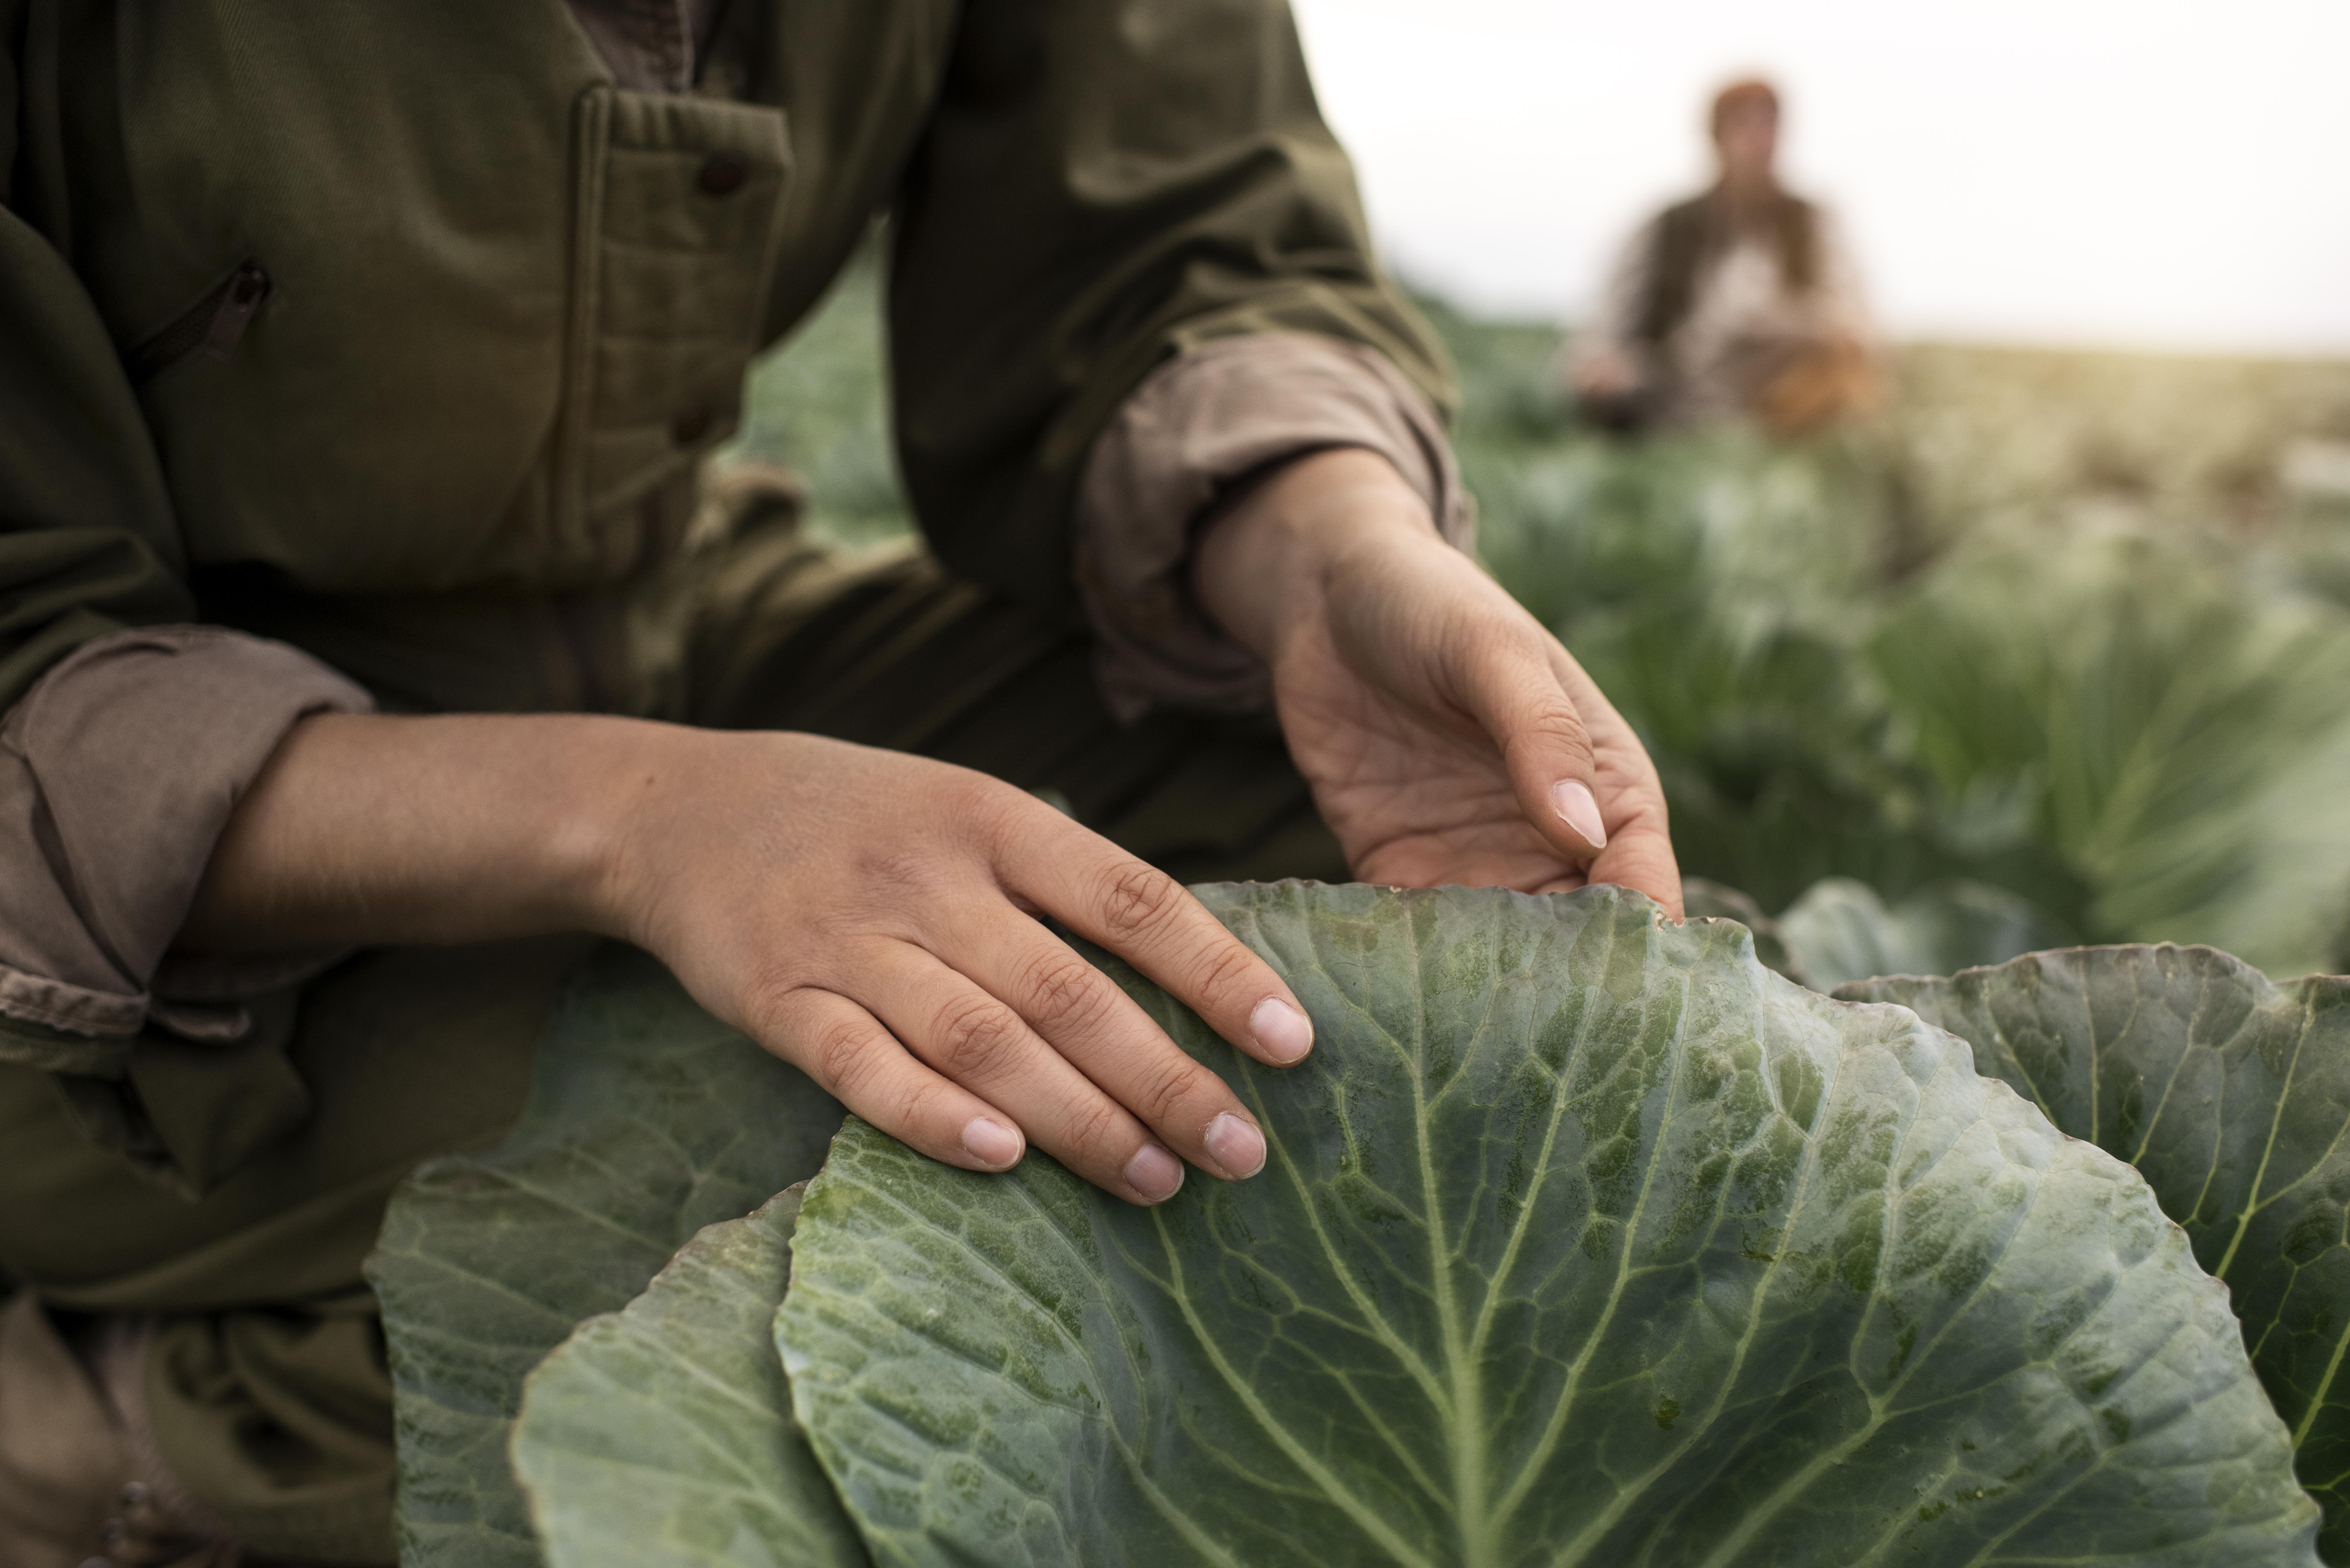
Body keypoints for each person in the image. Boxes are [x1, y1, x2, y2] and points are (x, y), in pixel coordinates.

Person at [0, 3, 1680, 1561]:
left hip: (660, 626)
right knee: (678, 1232)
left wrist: (1330, 551)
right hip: (117, 870)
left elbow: (1171, 239)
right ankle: (118, 1425)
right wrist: (646, 824)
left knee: (1350, 860)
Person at [1567, 78, 1880, 435]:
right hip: (1672, 391)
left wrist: (1792, 320)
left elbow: (1858, 325)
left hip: (1782, 397)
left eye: (1770, 127)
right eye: (1746, 127)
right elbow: (1604, 331)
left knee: (1842, 374)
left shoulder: (1813, 222)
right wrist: (1606, 365)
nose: (1761, 143)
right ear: (1716, 137)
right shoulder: (1666, 226)